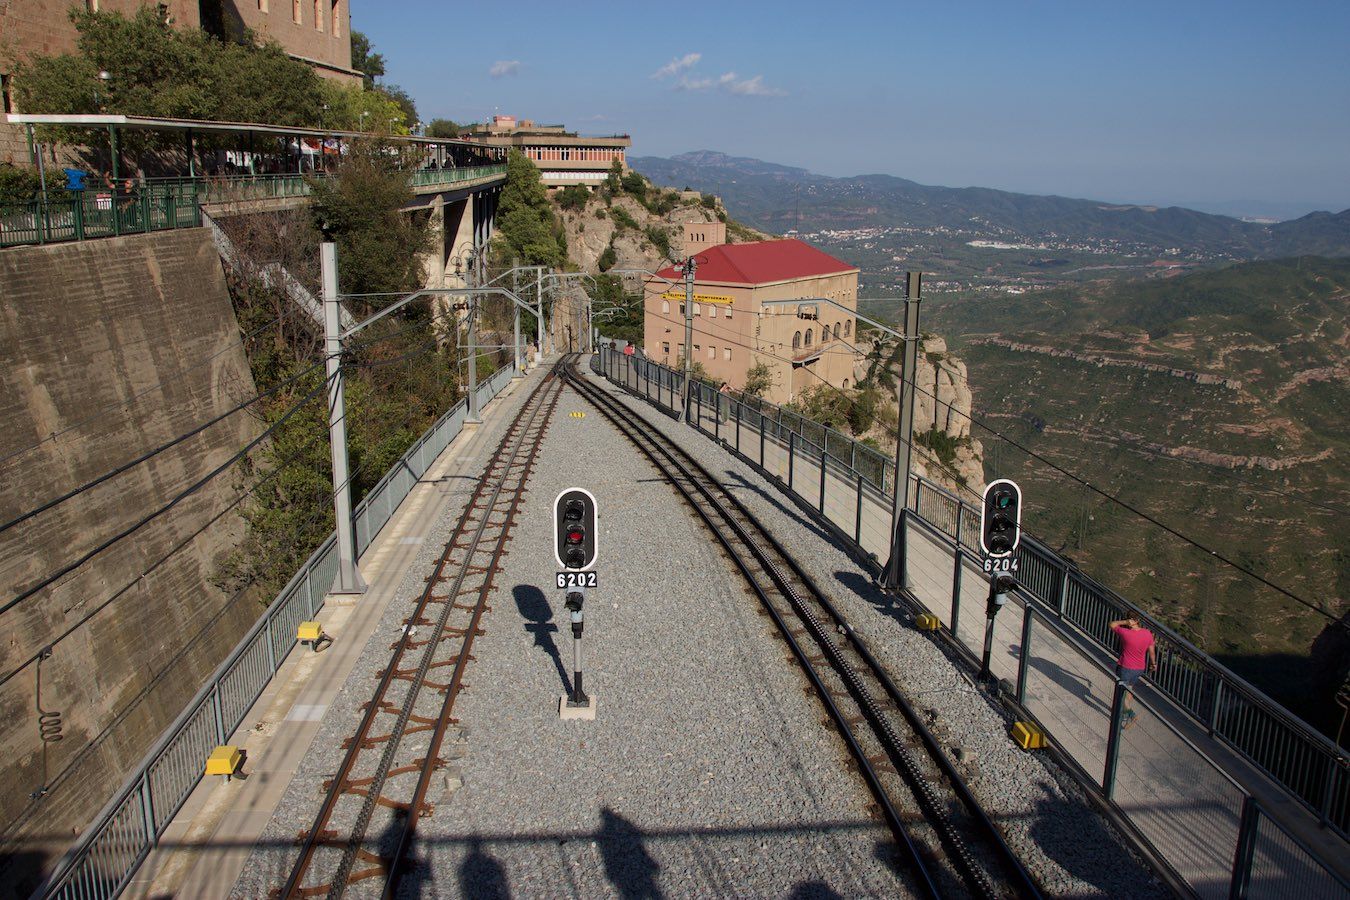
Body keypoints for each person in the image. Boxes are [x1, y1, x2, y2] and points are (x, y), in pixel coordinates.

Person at [1109, 615, 1156, 729]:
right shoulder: (1147, 633)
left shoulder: (1125, 633)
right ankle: (1124, 712)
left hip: (1125, 667)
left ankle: (1129, 714)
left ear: (1130, 620)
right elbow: (1151, 651)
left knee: (1121, 693)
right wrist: (1153, 663)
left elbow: (1112, 624)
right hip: (1139, 668)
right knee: (1129, 689)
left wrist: (1124, 621)